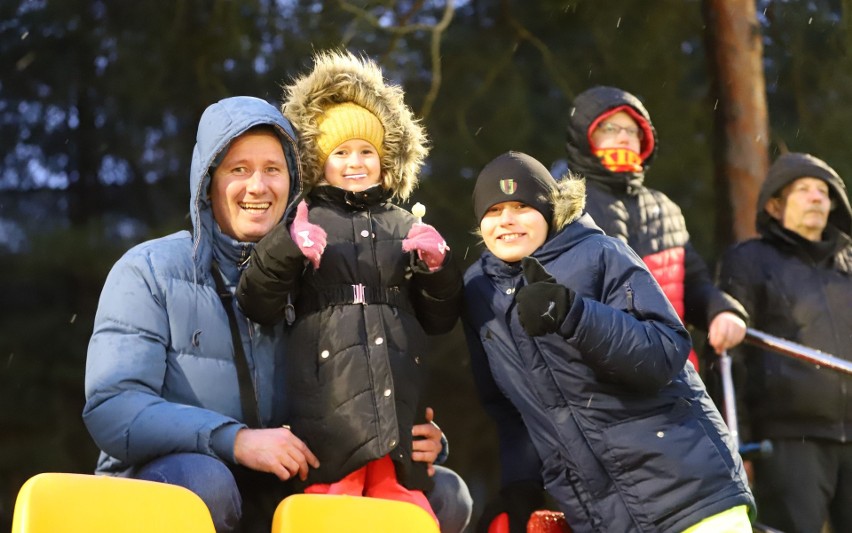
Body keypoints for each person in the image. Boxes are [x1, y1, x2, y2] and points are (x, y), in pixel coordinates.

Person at [83, 95, 472, 533]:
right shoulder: (149, 270)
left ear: (294, 180)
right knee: (208, 484)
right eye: (238, 169)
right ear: (208, 181)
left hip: (283, 482)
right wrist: (234, 440)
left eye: (273, 169)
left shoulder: (322, 273)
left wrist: (412, 440)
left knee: (446, 496)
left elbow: (370, 362)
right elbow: (113, 409)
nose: (257, 187)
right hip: (167, 485)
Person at [463, 151, 755, 532]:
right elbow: (509, 411)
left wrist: (575, 315)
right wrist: (521, 488)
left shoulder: (601, 253)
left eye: (521, 206)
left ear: (549, 211)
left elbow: (664, 351)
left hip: (690, 493)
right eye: (493, 211)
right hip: (602, 518)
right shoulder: (478, 290)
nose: (507, 220)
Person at [236, 50, 461, 526]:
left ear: (386, 160)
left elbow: (439, 318)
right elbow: (258, 300)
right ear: (320, 162)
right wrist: (288, 248)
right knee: (331, 507)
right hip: (327, 402)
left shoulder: (406, 222)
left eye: (366, 152)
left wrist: (437, 268)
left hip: (397, 402)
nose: (355, 162)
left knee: (402, 508)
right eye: (341, 153)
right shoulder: (305, 217)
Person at [563, 85, 748, 370]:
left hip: (676, 375)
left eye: (633, 130)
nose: (624, 137)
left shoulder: (666, 209)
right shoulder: (561, 206)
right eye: (610, 127)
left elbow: (694, 284)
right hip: (596, 380)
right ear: (584, 135)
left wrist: (721, 310)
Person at [716, 152, 852, 533]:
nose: (816, 198)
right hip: (789, 439)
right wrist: (734, 441)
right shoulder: (749, 260)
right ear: (775, 206)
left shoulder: (850, 264)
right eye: (803, 190)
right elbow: (729, 356)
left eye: (823, 192)